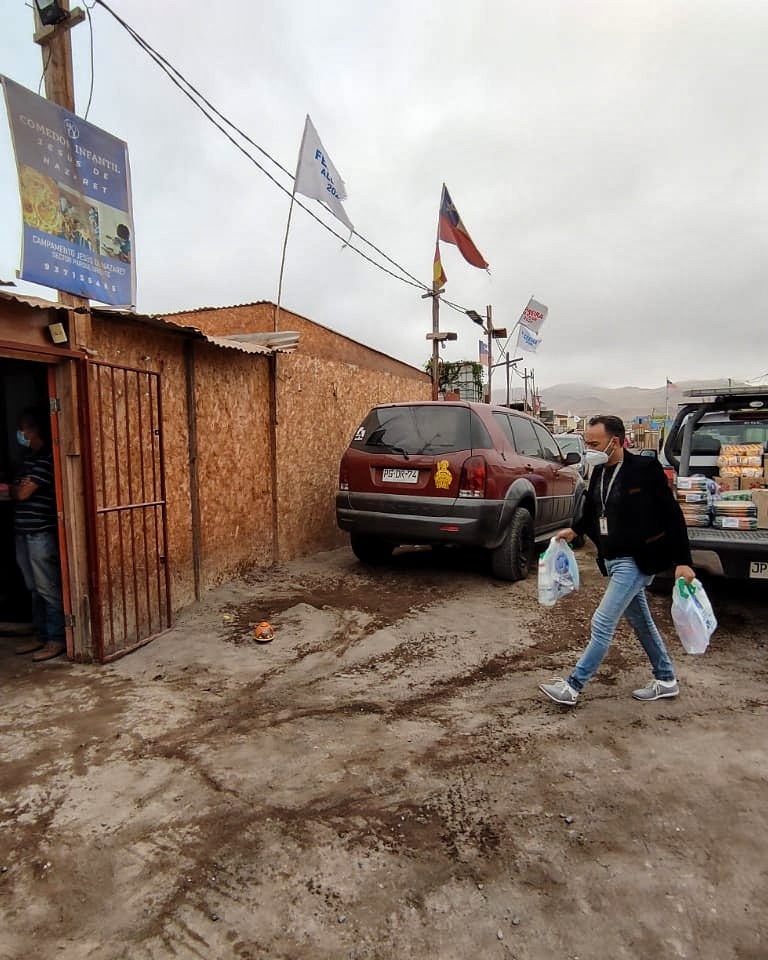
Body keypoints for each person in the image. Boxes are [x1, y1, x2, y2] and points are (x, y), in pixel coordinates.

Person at [539, 414, 695, 706]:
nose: (590, 449)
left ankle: (573, 686)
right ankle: (666, 679)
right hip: (611, 559)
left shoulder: (645, 469)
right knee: (641, 622)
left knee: (602, 621)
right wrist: (575, 530)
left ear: (616, 441)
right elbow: (592, 512)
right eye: (587, 443)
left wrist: (683, 562)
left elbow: (672, 516)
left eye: (595, 443)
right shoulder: (598, 473)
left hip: (637, 560)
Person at [10, 408, 66, 662]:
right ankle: (41, 634)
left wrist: (17, 489)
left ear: (34, 431)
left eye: (23, 428)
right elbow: (18, 487)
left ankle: (56, 638)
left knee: (47, 587)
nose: (20, 433)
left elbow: (21, 493)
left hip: (40, 534)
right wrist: (17, 487)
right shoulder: (27, 458)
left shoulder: (45, 460)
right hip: (23, 532)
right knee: (34, 588)